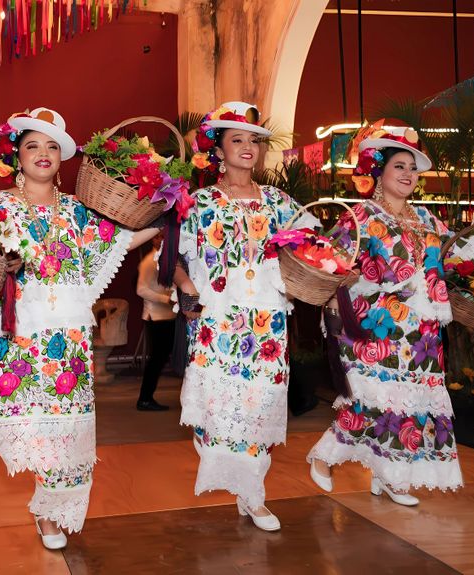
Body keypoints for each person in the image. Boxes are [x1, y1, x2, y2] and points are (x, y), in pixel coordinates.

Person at [0, 107, 157, 550]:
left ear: (62, 158)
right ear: (17, 156)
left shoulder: (78, 210)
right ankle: (44, 502)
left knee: (68, 432)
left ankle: (49, 511)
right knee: (35, 429)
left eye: (52, 146)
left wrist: (161, 217)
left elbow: (120, 239)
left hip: (66, 338)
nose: (43, 153)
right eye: (33, 145)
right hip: (14, 336)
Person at [173, 101, 319, 531]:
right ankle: (239, 483)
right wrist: (185, 287)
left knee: (261, 406)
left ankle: (253, 493)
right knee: (217, 408)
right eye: (237, 139)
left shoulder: (279, 201)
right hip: (217, 322)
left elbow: (313, 245)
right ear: (217, 148)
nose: (248, 147)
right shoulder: (199, 203)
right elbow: (175, 260)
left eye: (255, 140)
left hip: (268, 323)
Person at [307, 123, 462, 506]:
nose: (408, 174)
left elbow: (455, 257)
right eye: (399, 166)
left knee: (410, 403)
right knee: (373, 399)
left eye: (412, 167)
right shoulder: (361, 216)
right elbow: (332, 262)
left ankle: (391, 476)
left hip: (423, 332)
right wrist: (353, 274)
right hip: (376, 326)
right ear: (380, 171)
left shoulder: (427, 220)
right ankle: (324, 457)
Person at [136, 234, 176, 411]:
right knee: (156, 360)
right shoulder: (148, 262)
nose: (163, 240)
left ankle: (146, 398)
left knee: (159, 359)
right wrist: (166, 299)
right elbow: (141, 289)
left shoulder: (166, 261)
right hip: (156, 316)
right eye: (159, 237)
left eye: (164, 237)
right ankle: (145, 399)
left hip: (167, 316)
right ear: (153, 240)